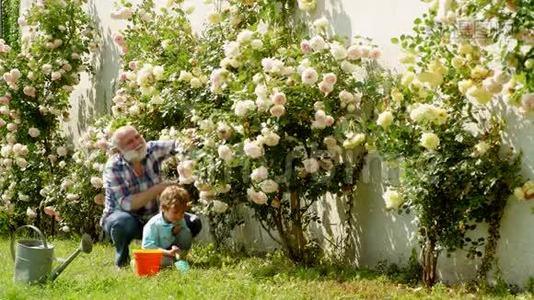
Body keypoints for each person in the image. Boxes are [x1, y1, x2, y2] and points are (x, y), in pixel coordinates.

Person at [101, 125, 201, 268]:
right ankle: (122, 262)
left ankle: (173, 257)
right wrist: (158, 189)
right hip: (127, 218)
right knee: (122, 223)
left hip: (154, 218)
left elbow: (180, 144)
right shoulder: (114, 167)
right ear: (119, 150)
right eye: (130, 142)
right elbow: (126, 204)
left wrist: (185, 165)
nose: (137, 142)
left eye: (137, 136)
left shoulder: (151, 149)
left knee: (193, 222)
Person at [142, 185, 192, 268]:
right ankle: (171, 261)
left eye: (182, 212)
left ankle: (180, 258)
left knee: (186, 233)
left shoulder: (179, 219)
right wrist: (167, 252)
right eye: (175, 212)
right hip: (159, 252)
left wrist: (175, 234)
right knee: (160, 259)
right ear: (163, 208)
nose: (179, 216)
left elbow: (185, 235)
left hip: (172, 249)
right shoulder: (153, 225)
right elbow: (147, 246)